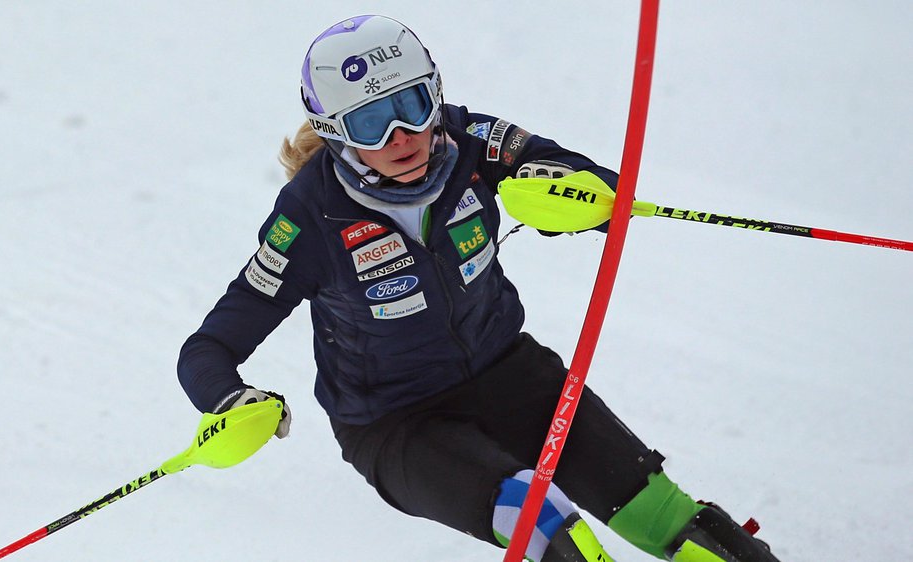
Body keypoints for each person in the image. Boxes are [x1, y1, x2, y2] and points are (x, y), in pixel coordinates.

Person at [177, 14, 779, 562]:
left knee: (683, 528)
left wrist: (575, 197)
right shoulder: (311, 218)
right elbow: (208, 348)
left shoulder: (468, 141)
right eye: (370, 122)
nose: (402, 136)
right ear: (335, 131)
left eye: (413, 105)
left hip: (512, 376)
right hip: (396, 424)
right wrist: (229, 400)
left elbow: (597, 191)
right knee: (549, 530)